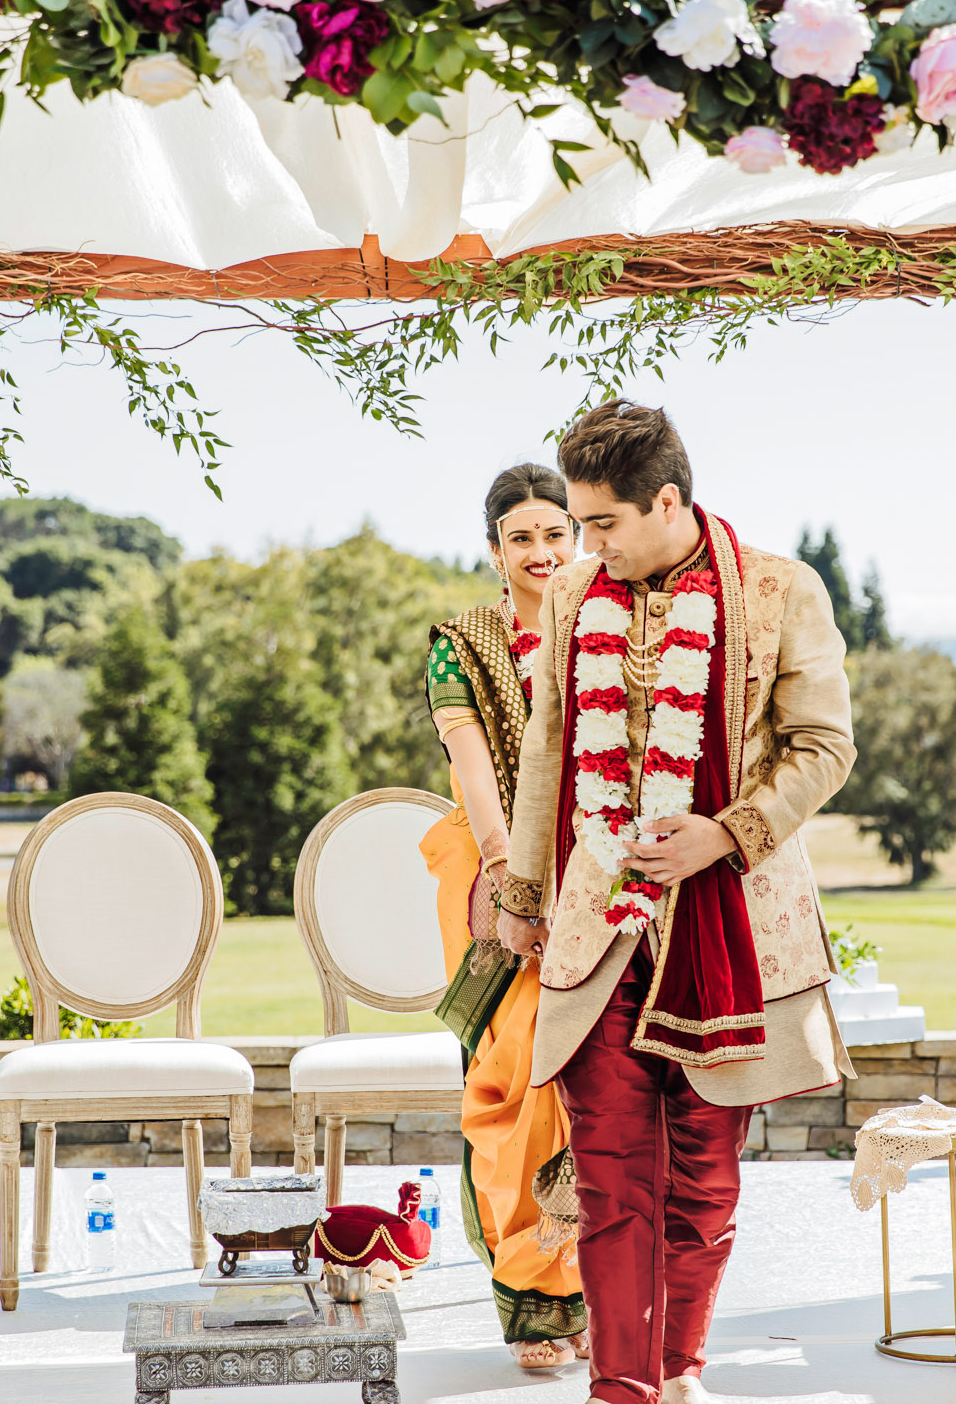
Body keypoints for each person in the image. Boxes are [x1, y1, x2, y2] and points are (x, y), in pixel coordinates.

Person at [493, 400, 856, 1404]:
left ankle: (676, 1373)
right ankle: (622, 1390)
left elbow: (825, 748)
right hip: (598, 925)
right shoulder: (575, 595)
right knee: (610, 1179)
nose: (584, 545)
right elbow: (550, 747)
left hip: (725, 923)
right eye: (577, 522)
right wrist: (522, 888)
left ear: (668, 500)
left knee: (702, 1179)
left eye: (602, 523)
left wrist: (725, 833)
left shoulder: (781, 590)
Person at [420, 463, 587, 1371]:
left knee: (597, 1081)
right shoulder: (462, 642)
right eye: (521, 538)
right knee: (515, 1075)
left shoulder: (608, 627)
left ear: (578, 537)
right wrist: (509, 873)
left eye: (555, 534)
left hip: (599, 874)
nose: (541, 552)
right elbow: (473, 763)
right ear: (494, 550)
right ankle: (534, 1302)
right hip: (496, 880)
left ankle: (598, 1285)